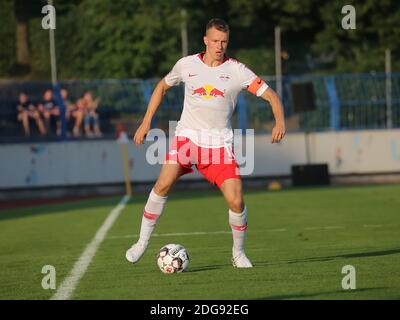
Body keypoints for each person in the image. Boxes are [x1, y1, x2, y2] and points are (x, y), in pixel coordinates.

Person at [126, 18, 286, 268]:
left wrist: (279, 121)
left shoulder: (238, 71)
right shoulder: (186, 64)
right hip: (187, 138)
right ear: (205, 41)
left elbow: (272, 96)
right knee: (163, 183)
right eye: (215, 41)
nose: (220, 46)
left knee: (236, 200)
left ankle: (238, 253)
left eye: (224, 41)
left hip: (219, 146)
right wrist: (146, 122)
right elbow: (161, 87)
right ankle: (142, 242)